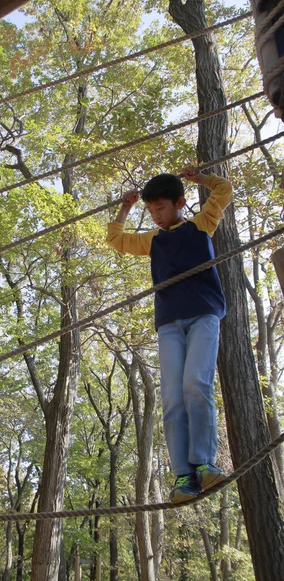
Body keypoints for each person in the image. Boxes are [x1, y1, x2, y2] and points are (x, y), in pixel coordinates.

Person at [107, 165, 233, 503]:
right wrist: (126, 207)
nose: (156, 216)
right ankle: (183, 476)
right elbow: (117, 239)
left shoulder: (200, 224)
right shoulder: (153, 240)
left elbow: (223, 190)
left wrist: (201, 179)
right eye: (151, 210)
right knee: (173, 398)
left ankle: (205, 462)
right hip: (169, 324)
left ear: (179, 203)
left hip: (204, 315)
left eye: (160, 207)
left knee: (196, 383)